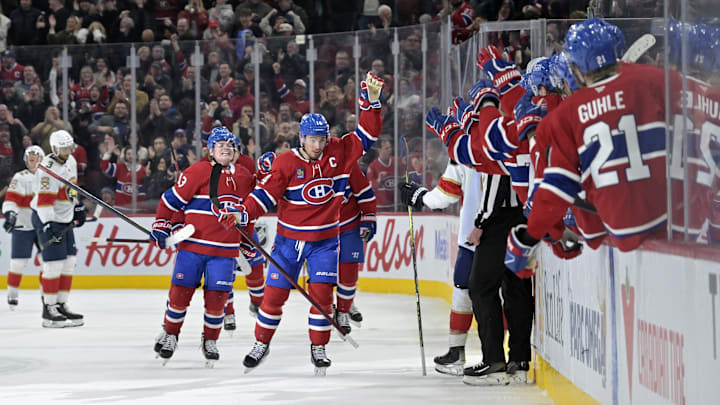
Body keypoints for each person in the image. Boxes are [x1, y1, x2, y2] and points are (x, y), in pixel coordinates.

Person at [238, 72, 384, 375]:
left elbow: (368, 135)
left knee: (321, 298)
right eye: (312, 139)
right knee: (273, 297)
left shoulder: (339, 152)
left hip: (325, 244)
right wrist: (243, 213)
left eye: (321, 138)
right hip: (288, 245)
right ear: (301, 138)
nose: (318, 145)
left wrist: (371, 103)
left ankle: (319, 347)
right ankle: (261, 343)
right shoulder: (286, 162)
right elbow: (265, 195)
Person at [151, 127, 256, 367]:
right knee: (179, 294)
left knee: (217, 299)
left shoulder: (243, 177)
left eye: (230, 146)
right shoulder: (197, 171)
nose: (226, 149)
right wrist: (162, 225)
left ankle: (210, 340)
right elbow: (170, 201)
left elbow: (249, 214)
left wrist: (247, 242)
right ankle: (171, 335)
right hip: (192, 249)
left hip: (225, 252)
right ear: (210, 149)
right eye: (220, 145)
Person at [398, 159, 484, 375]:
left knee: (470, 293)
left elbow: (446, 195)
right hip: (497, 233)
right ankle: (482, 354)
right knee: (472, 292)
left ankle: (472, 354)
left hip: (474, 236)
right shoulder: (502, 141)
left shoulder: (462, 148)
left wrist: (422, 196)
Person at [30, 130, 87, 328]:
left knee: (69, 261)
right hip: (47, 217)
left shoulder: (71, 161)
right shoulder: (46, 169)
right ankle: (49, 308)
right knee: (54, 263)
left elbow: (71, 189)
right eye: (62, 148)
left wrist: (77, 206)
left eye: (68, 147)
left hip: (65, 217)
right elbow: (44, 202)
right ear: (54, 148)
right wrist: (48, 225)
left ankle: (61, 304)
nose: (66, 151)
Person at [334, 162, 376, 333]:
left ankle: (343, 309)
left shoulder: (349, 165)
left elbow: (365, 193)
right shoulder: (310, 164)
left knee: (349, 271)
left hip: (349, 224)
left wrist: (369, 217)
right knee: (323, 272)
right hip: (322, 228)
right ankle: (330, 306)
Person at [3, 145, 44, 309]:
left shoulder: (49, 177)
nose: (32, 159)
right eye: (29, 157)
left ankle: (46, 294)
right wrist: (10, 214)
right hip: (23, 225)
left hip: (42, 226)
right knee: (18, 263)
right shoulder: (20, 177)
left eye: (35, 156)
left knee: (47, 262)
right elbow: (10, 200)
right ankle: (12, 294)